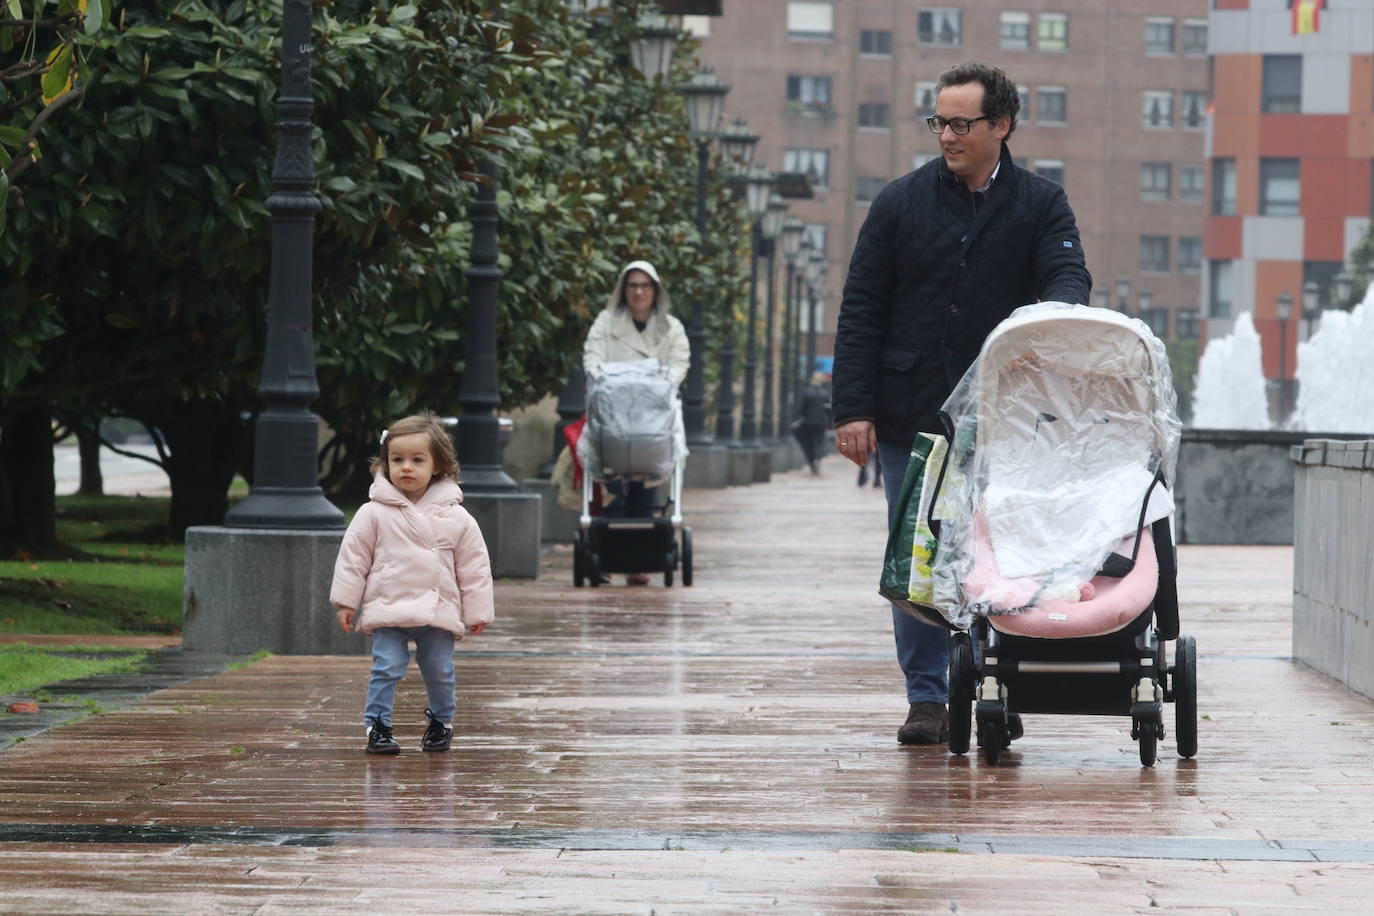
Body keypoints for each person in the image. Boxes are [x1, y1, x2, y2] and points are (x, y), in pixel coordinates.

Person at [830, 61, 1092, 746]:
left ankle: (997, 678)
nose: (946, 135)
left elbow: (1068, 271)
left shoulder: (1041, 204)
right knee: (918, 558)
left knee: (998, 555)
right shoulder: (899, 203)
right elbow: (861, 308)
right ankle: (928, 697)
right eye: (939, 122)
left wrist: (1057, 313)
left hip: (1005, 420)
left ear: (1000, 126)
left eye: (960, 123)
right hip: (909, 413)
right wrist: (851, 409)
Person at [331, 412, 495, 755]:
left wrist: (477, 610)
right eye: (397, 459)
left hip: (438, 611)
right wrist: (347, 601)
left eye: (417, 460)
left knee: (439, 670)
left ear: (437, 465)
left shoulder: (455, 516)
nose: (406, 467)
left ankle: (441, 723)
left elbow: (474, 566)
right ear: (385, 463)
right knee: (386, 668)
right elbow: (353, 558)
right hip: (388, 607)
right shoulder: (373, 513)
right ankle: (377, 726)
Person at [583, 259, 690, 585]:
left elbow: (679, 364)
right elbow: (592, 357)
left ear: (655, 290)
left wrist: (655, 386)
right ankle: (609, 556)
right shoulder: (605, 323)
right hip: (613, 412)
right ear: (624, 290)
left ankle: (642, 559)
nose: (639, 292)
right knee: (614, 483)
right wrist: (610, 382)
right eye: (633, 286)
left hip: (654, 415)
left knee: (647, 479)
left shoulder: (671, 328)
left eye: (645, 286)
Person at [792, 371, 831, 474]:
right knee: (819, 442)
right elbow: (828, 409)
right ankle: (818, 457)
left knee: (809, 443)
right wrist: (830, 423)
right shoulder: (825, 393)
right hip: (821, 422)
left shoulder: (807, 393)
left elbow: (802, 409)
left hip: (809, 422)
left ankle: (812, 460)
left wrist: (798, 418)